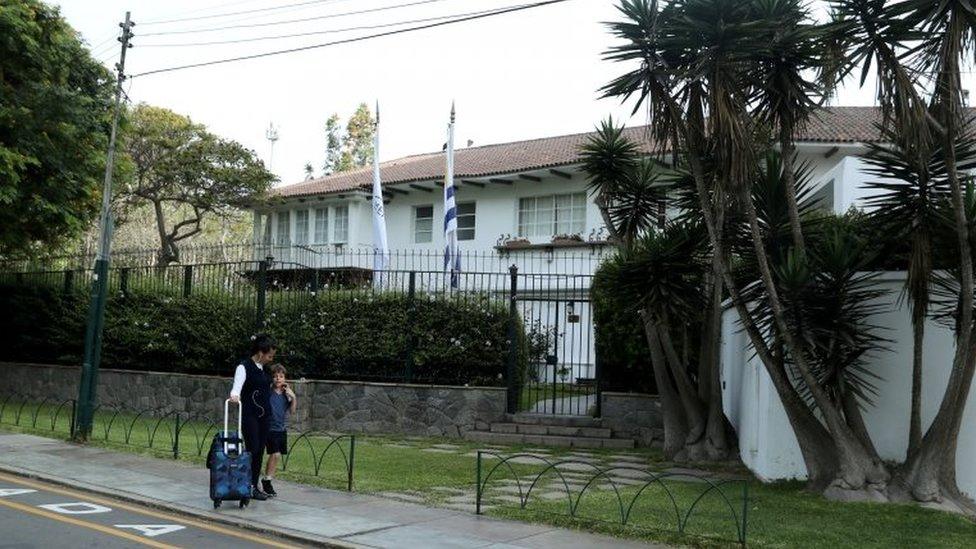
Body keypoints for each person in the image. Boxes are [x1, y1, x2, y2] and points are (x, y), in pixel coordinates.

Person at [229, 333, 276, 501]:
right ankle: (244, 484)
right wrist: (235, 396)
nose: (270, 359)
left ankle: (253, 486)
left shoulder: (265, 369)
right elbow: (236, 387)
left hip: (264, 416)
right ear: (260, 352)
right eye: (269, 355)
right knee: (253, 448)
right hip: (250, 415)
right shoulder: (244, 367)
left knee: (260, 451)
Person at [261, 363, 296, 497]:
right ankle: (265, 481)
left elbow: (292, 411)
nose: (278, 379)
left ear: (284, 378)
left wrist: (293, 397)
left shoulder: (287, 394)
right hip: (269, 428)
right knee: (274, 454)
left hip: (280, 429)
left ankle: (267, 480)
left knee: (276, 456)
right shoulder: (268, 391)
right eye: (275, 376)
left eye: (280, 376)